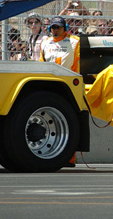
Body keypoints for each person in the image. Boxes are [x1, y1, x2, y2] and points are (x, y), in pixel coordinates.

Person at [40, 16, 80, 167]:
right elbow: (41, 63)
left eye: (59, 27)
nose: (56, 30)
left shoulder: (75, 42)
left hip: (68, 86)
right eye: (53, 27)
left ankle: (70, 158)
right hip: (48, 85)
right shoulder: (45, 42)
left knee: (70, 121)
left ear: (65, 28)